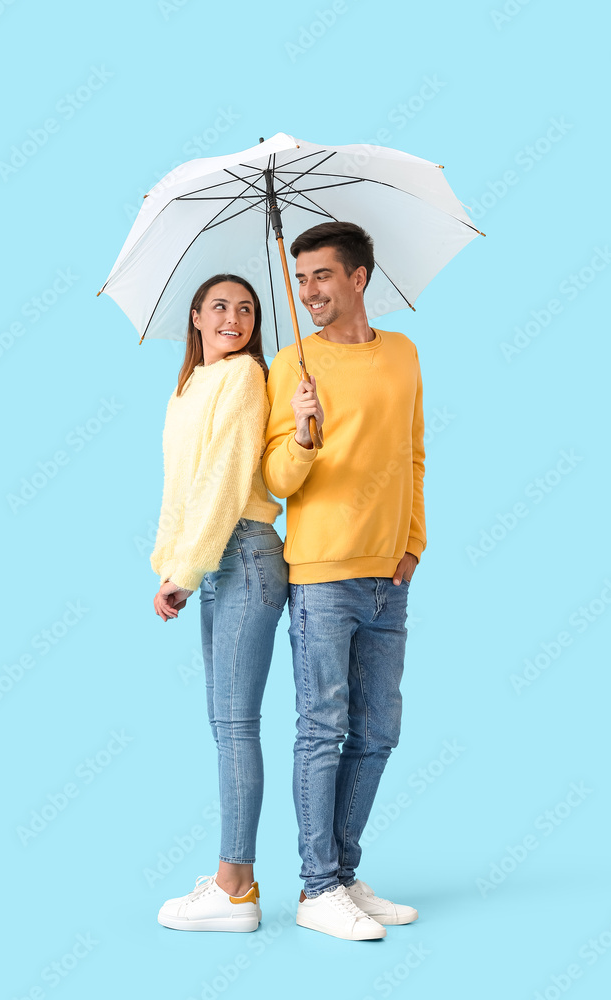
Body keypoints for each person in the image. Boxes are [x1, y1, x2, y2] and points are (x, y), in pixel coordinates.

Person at [262, 222, 427, 941]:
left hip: (388, 577)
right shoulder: (289, 363)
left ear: (358, 278)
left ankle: (343, 873)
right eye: (301, 279)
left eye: (322, 276)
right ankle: (316, 886)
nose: (309, 292)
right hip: (323, 574)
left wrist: (413, 545)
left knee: (378, 732)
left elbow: (413, 455)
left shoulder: (403, 354)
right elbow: (272, 480)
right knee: (321, 729)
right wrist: (300, 433)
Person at [151, 274, 288, 933]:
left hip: (242, 552)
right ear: (197, 318)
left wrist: (189, 567)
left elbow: (227, 479)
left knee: (235, 726)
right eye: (220, 306)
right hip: (214, 561)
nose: (233, 317)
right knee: (223, 724)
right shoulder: (188, 388)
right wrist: (170, 568)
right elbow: (180, 487)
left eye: (246, 308)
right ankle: (236, 880)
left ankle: (236, 890)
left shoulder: (242, 377)